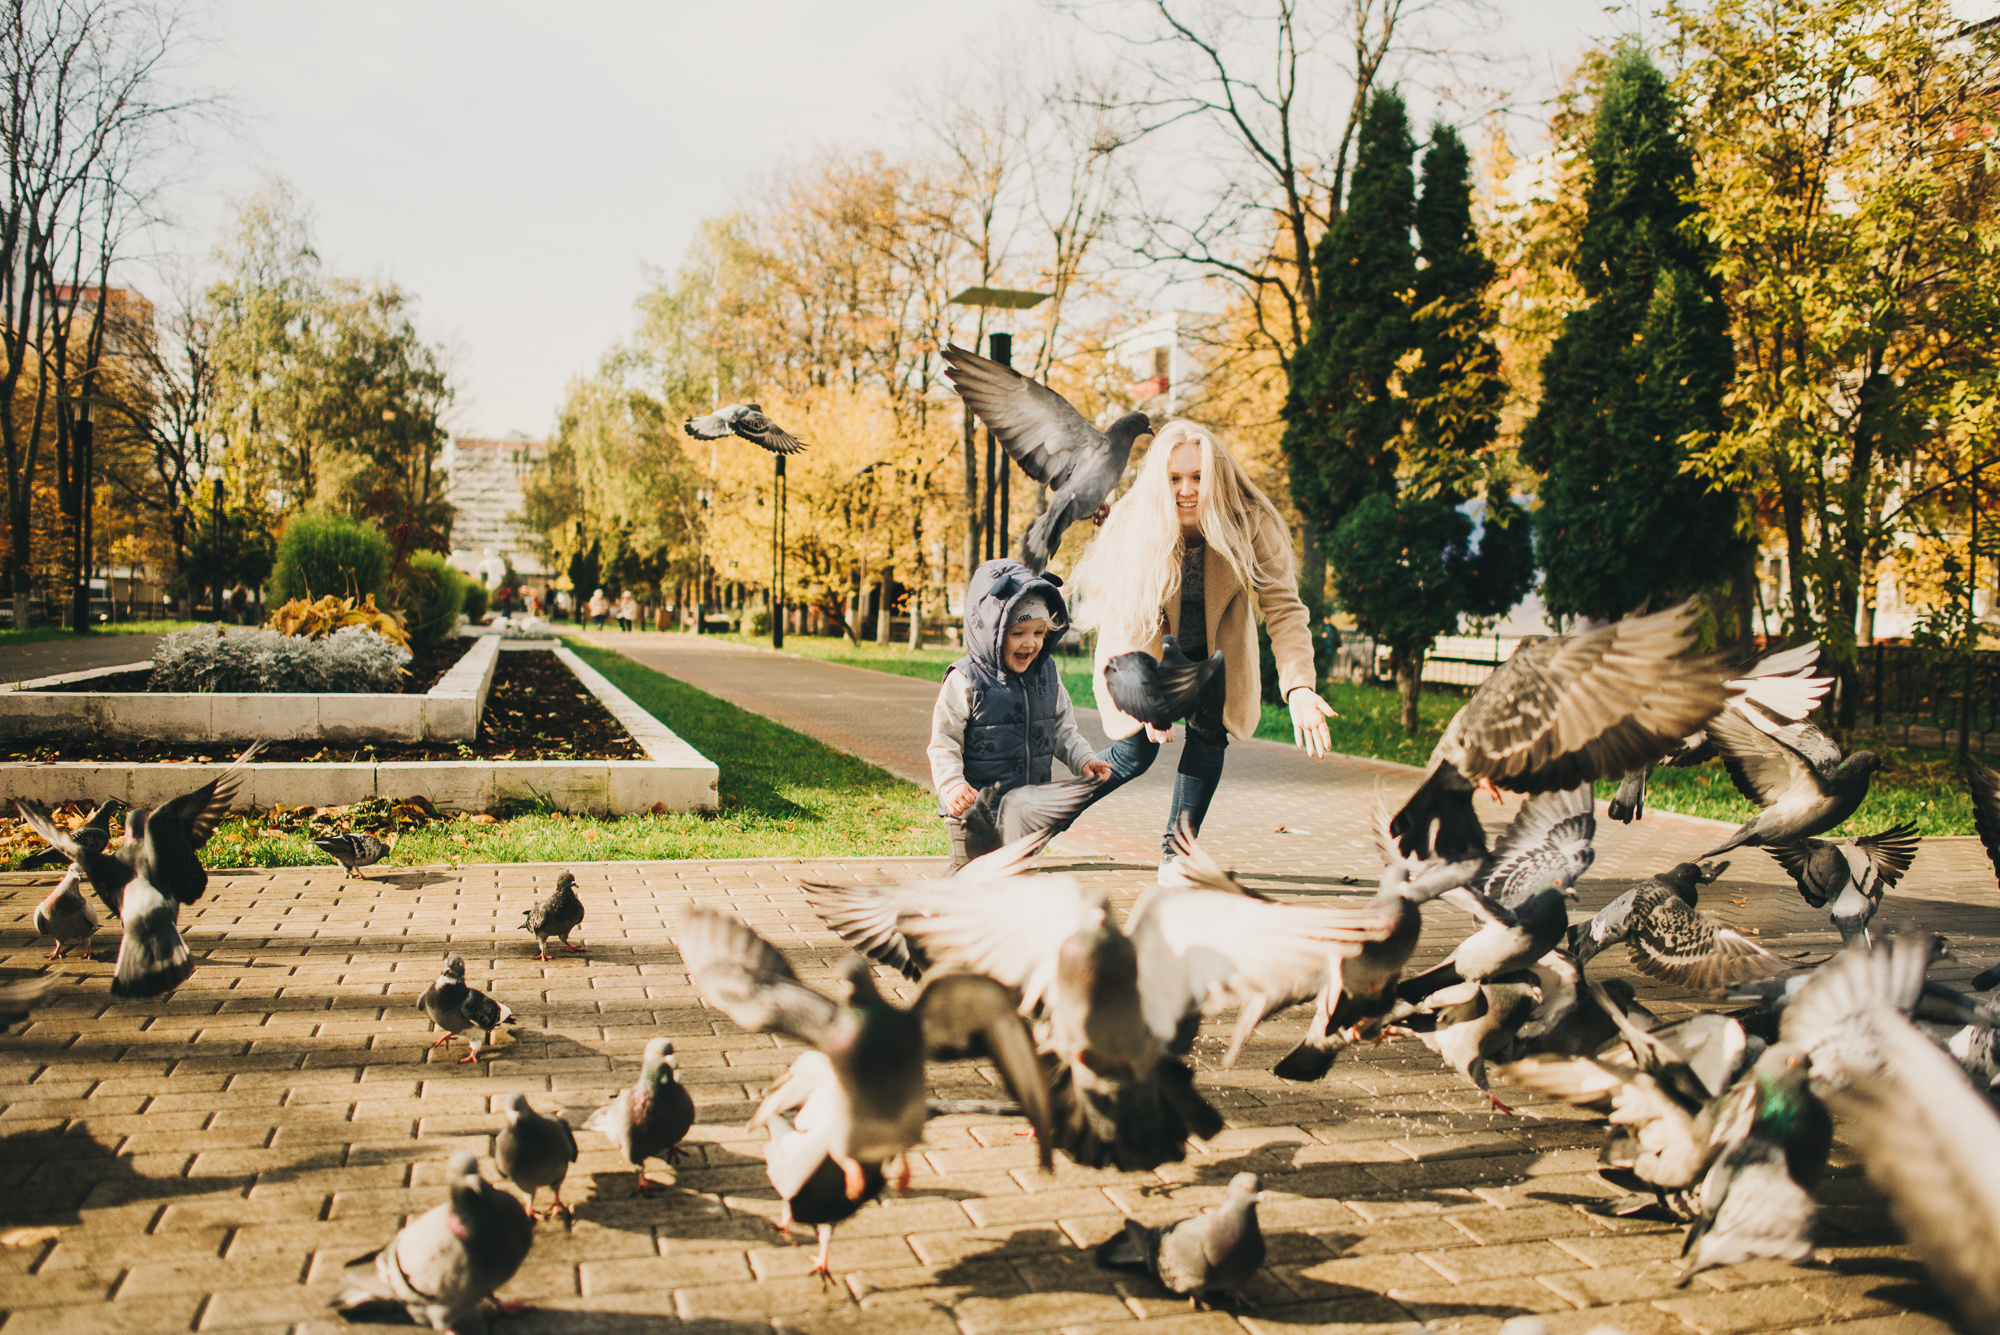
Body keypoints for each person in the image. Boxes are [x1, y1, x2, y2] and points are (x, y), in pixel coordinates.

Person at [1071, 419, 1337, 880]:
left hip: (1215, 652)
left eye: (1198, 477)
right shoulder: (1134, 523)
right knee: (1135, 754)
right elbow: (1129, 621)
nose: (1187, 490)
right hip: (1148, 648)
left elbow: (1284, 608)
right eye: (1175, 479)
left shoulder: (1250, 520)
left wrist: (1298, 688)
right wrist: (1149, 699)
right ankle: (1043, 818)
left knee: (1210, 735)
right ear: (1159, 480)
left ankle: (1177, 854)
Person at [928, 559, 1112, 873]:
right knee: (970, 881)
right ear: (991, 631)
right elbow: (944, 743)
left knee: (1019, 881)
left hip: (1028, 814)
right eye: (1018, 632)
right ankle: (948, 917)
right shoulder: (967, 679)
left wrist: (1084, 759)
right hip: (974, 814)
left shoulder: (1047, 675)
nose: (1031, 642)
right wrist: (951, 786)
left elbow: (1063, 730)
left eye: (1039, 632)